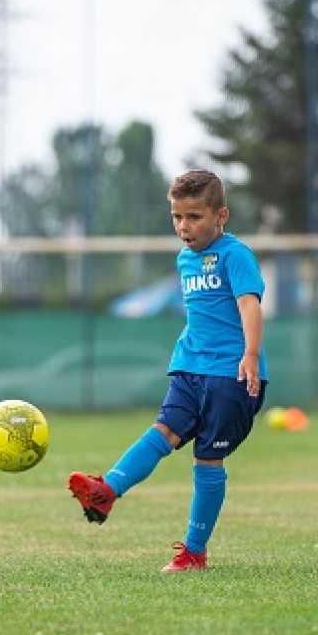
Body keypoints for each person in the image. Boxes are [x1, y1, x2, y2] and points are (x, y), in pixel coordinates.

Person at [67, 168, 268, 572]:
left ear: (221, 216)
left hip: (231, 375)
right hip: (189, 367)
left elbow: (249, 305)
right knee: (162, 431)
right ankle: (107, 489)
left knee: (207, 461)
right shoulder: (184, 259)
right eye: (177, 217)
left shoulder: (236, 255)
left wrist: (250, 355)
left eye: (194, 217)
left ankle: (194, 552)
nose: (183, 226)